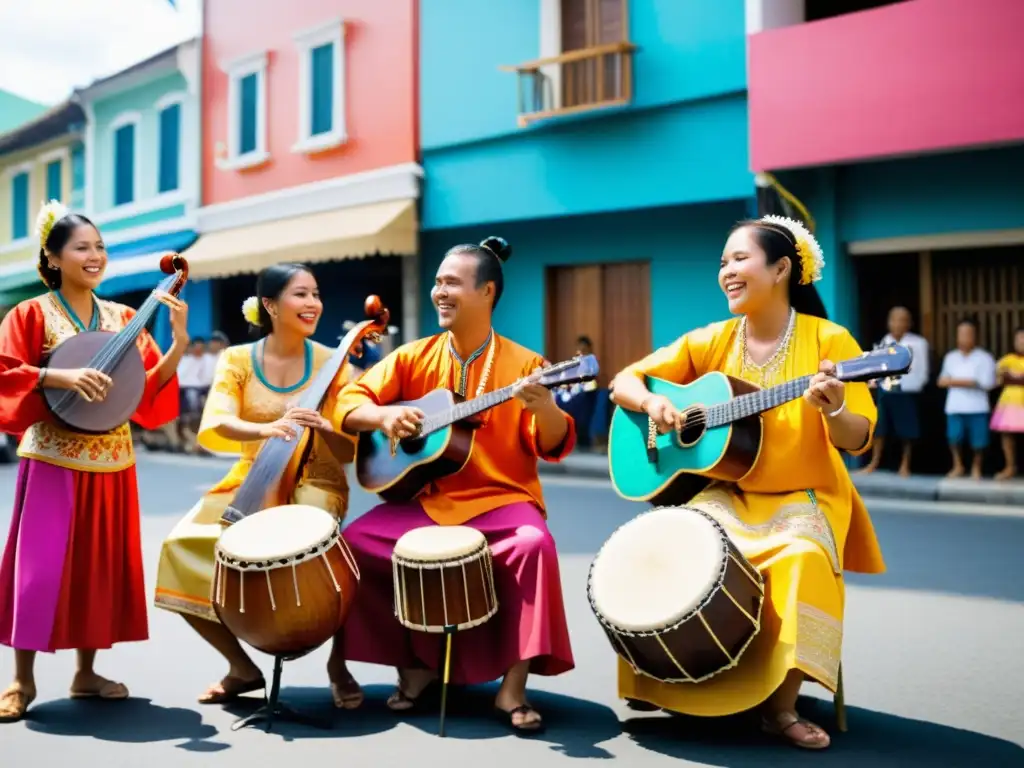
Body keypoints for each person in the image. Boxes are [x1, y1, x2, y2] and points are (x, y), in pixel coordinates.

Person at [608, 215, 885, 750]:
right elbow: (625, 380)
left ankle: (780, 709)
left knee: (801, 554)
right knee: (669, 543)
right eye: (723, 262)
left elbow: (858, 440)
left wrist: (832, 411)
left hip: (804, 494)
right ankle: (663, 678)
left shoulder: (830, 341)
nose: (727, 271)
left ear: (782, 269)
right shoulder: (710, 340)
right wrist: (653, 402)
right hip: (728, 493)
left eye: (739, 259)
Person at [329, 237, 576, 734]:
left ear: (487, 291)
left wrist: (544, 407)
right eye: (437, 282)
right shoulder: (412, 356)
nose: (440, 291)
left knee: (535, 546)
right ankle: (414, 667)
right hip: (425, 499)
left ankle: (513, 688)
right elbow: (349, 401)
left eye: (452, 283)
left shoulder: (527, 365)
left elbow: (549, 443)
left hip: (502, 498)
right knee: (354, 544)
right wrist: (384, 413)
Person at [0, 201, 187, 723]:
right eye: (83, 247)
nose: (95, 255)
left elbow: (144, 389)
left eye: (100, 246)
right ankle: (21, 679)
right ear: (54, 258)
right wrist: (60, 377)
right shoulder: (31, 314)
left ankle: (85, 672)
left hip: (111, 460)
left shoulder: (124, 317)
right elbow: (5, 369)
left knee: (97, 569)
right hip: (53, 458)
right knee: (37, 573)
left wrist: (179, 345)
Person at [154, 263, 361, 708]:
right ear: (269, 305)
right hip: (253, 477)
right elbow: (217, 422)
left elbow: (349, 451)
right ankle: (241, 667)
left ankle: (338, 666)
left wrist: (324, 425)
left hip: (316, 478)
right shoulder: (236, 359)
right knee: (179, 547)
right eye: (300, 295)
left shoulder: (335, 362)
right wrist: (266, 430)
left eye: (316, 294)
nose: (313, 304)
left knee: (321, 550)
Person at [858, 306, 930, 477]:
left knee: (907, 430)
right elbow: (876, 365)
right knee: (879, 427)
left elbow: (923, 369)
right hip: (886, 390)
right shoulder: (884, 341)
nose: (897, 324)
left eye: (902, 320)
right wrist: (873, 382)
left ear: (909, 323)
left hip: (907, 391)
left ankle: (905, 464)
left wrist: (917, 385)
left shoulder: (918, 343)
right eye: (894, 319)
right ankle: (874, 462)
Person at [938, 319, 996, 479]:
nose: (965, 337)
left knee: (979, 442)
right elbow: (941, 381)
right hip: (955, 406)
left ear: (976, 336)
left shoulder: (985, 357)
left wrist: (955, 381)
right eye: (961, 334)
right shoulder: (950, 357)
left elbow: (988, 383)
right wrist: (969, 381)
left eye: (968, 334)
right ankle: (958, 465)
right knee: (953, 438)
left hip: (978, 407)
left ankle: (976, 467)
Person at [990, 327, 1024, 480]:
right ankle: (1010, 466)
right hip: (1010, 401)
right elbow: (996, 380)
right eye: (1019, 339)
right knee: (1007, 434)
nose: (1022, 342)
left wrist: (1013, 377)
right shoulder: (1007, 359)